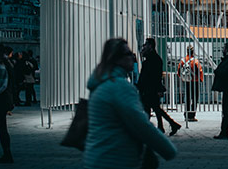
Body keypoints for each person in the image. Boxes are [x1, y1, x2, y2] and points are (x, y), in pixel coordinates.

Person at [84, 38, 177, 169]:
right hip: (115, 160)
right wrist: (168, 149)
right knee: (155, 109)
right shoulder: (120, 87)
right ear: (117, 59)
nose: (133, 57)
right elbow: (141, 124)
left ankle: (170, 124)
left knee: (155, 108)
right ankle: (171, 124)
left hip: (97, 157)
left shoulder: (100, 84)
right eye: (128, 54)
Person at [137, 38, 181, 136]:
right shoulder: (152, 59)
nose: (144, 47)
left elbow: (154, 76)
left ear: (151, 46)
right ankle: (165, 126)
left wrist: (156, 88)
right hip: (150, 89)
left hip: (150, 89)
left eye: (146, 45)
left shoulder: (152, 60)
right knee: (155, 109)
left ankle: (161, 126)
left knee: (152, 109)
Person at [177, 46, 203, 122]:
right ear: (193, 52)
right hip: (195, 81)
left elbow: (179, 70)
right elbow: (200, 71)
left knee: (187, 98)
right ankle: (192, 115)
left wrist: (183, 78)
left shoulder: (183, 60)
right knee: (195, 99)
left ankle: (186, 114)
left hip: (187, 81)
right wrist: (200, 79)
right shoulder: (195, 61)